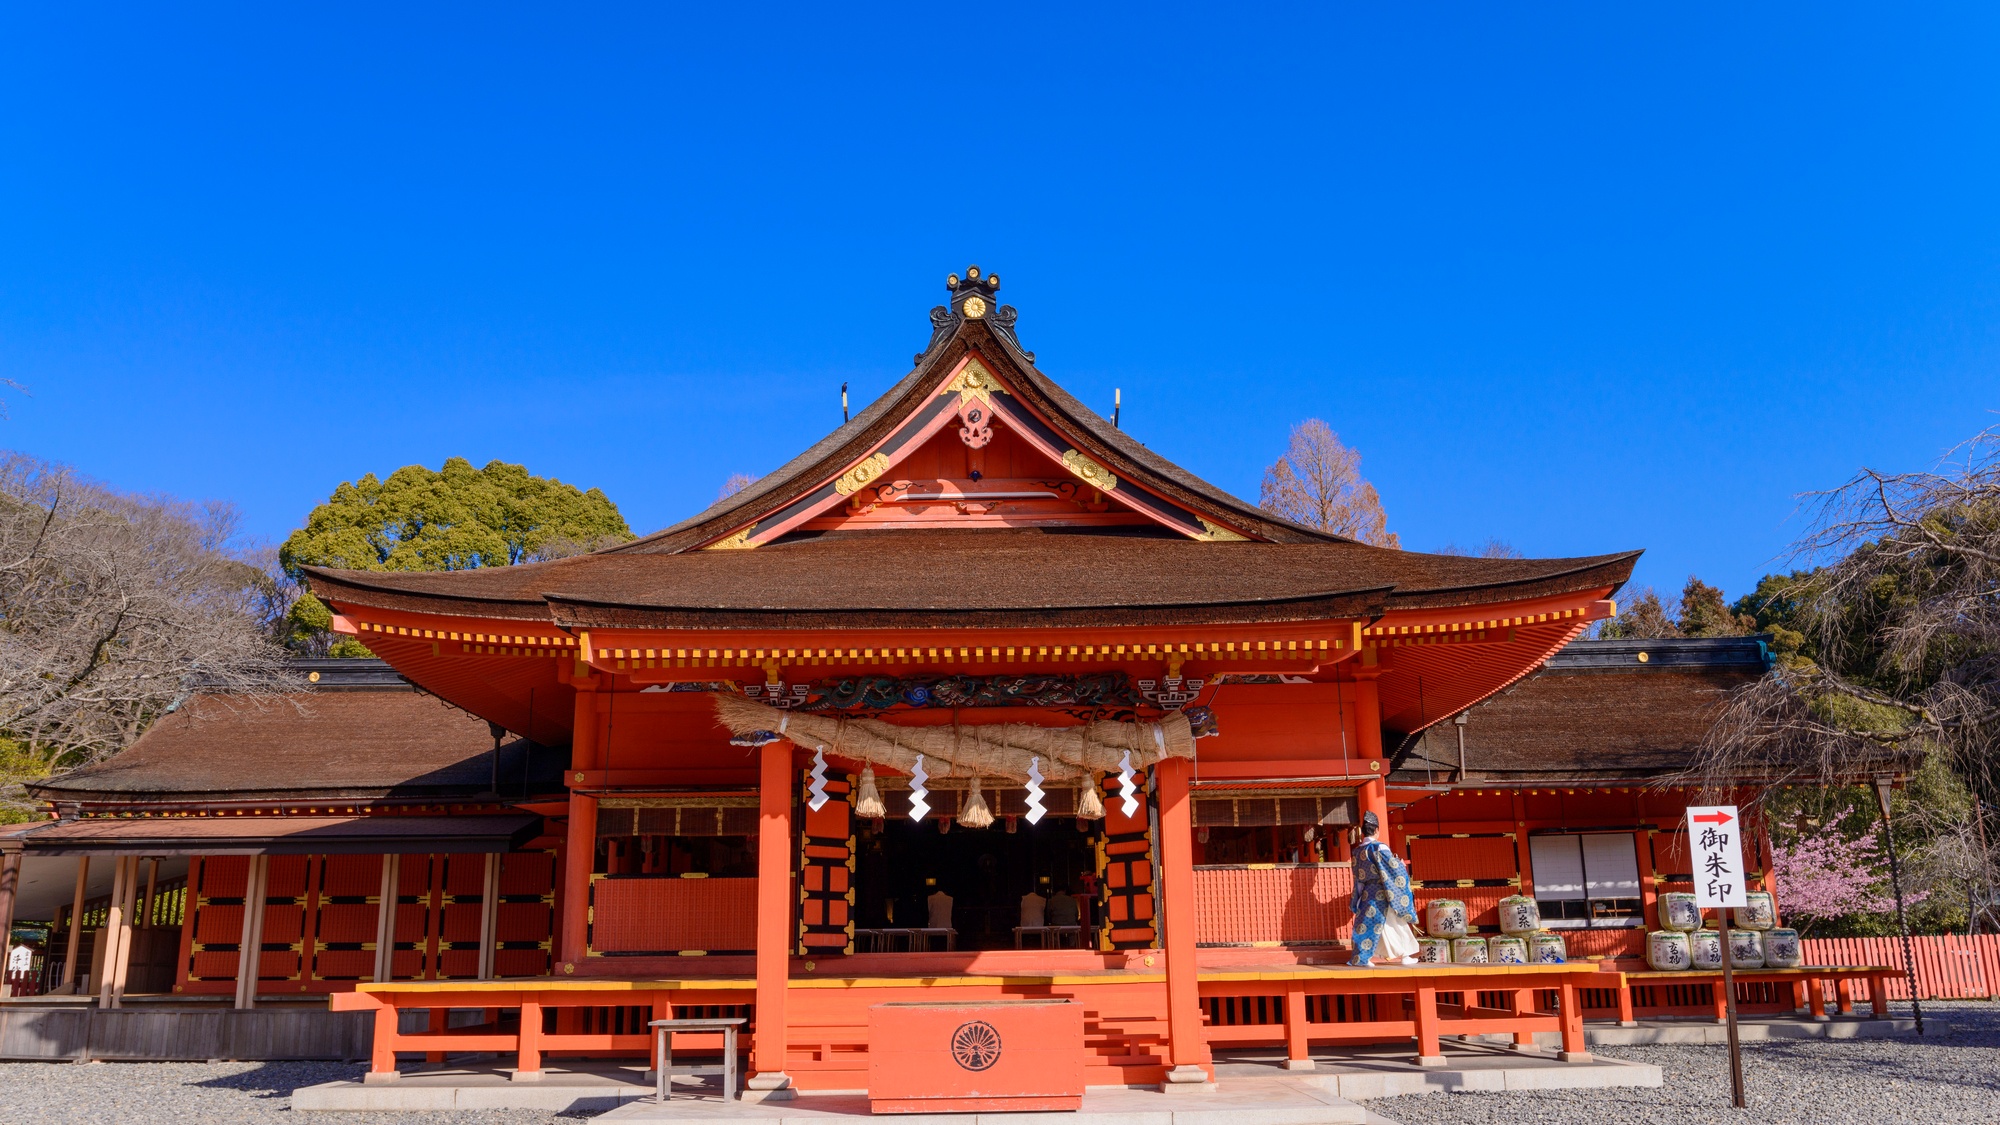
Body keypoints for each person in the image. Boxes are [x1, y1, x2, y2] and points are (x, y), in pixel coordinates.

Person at [1348, 811, 1420, 967]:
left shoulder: (1357, 851)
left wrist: (1357, 898)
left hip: (1367, 893)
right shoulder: (1379, 847)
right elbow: (1393, 868)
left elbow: (1358, 878)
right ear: (1376, 830)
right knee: (1396, 923)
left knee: (1368, 925)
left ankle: (1363, 958)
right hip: (1384, 893)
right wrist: (1401, 865)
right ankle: (1405, 955)